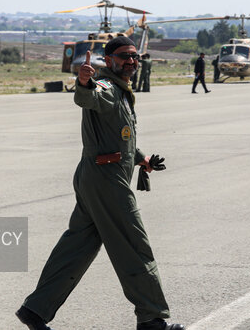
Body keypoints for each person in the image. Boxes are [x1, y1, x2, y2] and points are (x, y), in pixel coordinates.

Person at [16, 36, 184, 330]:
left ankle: (35, 310)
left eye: (134, 57)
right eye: (123, 56)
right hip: (107, 182)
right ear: (108, 61)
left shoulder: (121, 91)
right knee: (134, 247)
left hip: (96, 176)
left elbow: (121, 136)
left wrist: (141, 159)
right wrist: (83, 82)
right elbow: (88, 97)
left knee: (76, 248)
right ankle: (152, 319)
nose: (130, 62)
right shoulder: (106, 88)